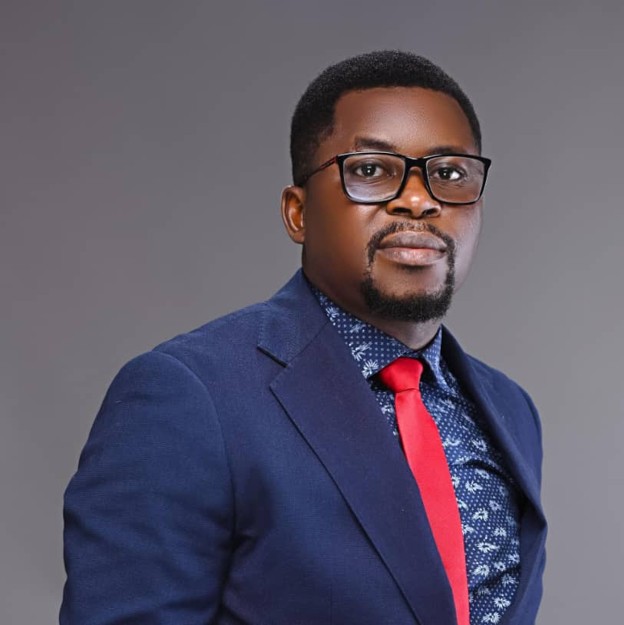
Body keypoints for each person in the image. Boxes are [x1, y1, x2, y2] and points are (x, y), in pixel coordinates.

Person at [60, 50, 546, 625]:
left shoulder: (510, 409)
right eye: (371, 169)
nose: (419, 199)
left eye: (450, 174)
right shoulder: (190, 396)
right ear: (298, 212)